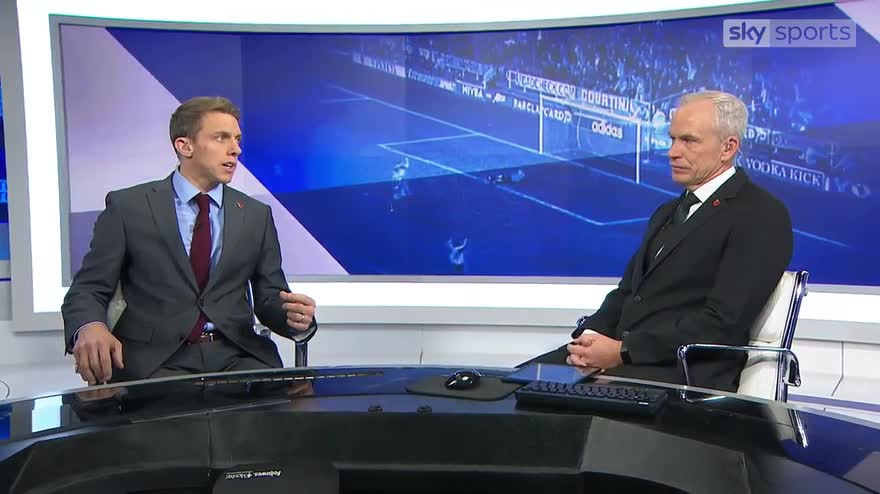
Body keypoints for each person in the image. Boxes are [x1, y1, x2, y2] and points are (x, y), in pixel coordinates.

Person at [523, 90, 793, 392]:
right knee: (506, 387)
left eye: (689, 141)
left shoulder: (759, 214)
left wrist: (623, 351)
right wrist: (590, 337)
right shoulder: (668, 211)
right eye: (673, 139)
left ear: (728, 147)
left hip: (682, 373)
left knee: (544, 402)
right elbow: (627, 293)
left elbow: (721, 323)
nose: (673, 152)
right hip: (623, 357)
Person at [62, 96, 318, 385]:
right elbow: (88, 289)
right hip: (155, 362)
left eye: (237, 139)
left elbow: (269, 298)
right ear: (185, 146)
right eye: (221, 138)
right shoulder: (128, 207)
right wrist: (90, 326)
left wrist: (295, 318)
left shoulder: (256, 215)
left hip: (238, 357)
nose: (235, 149)